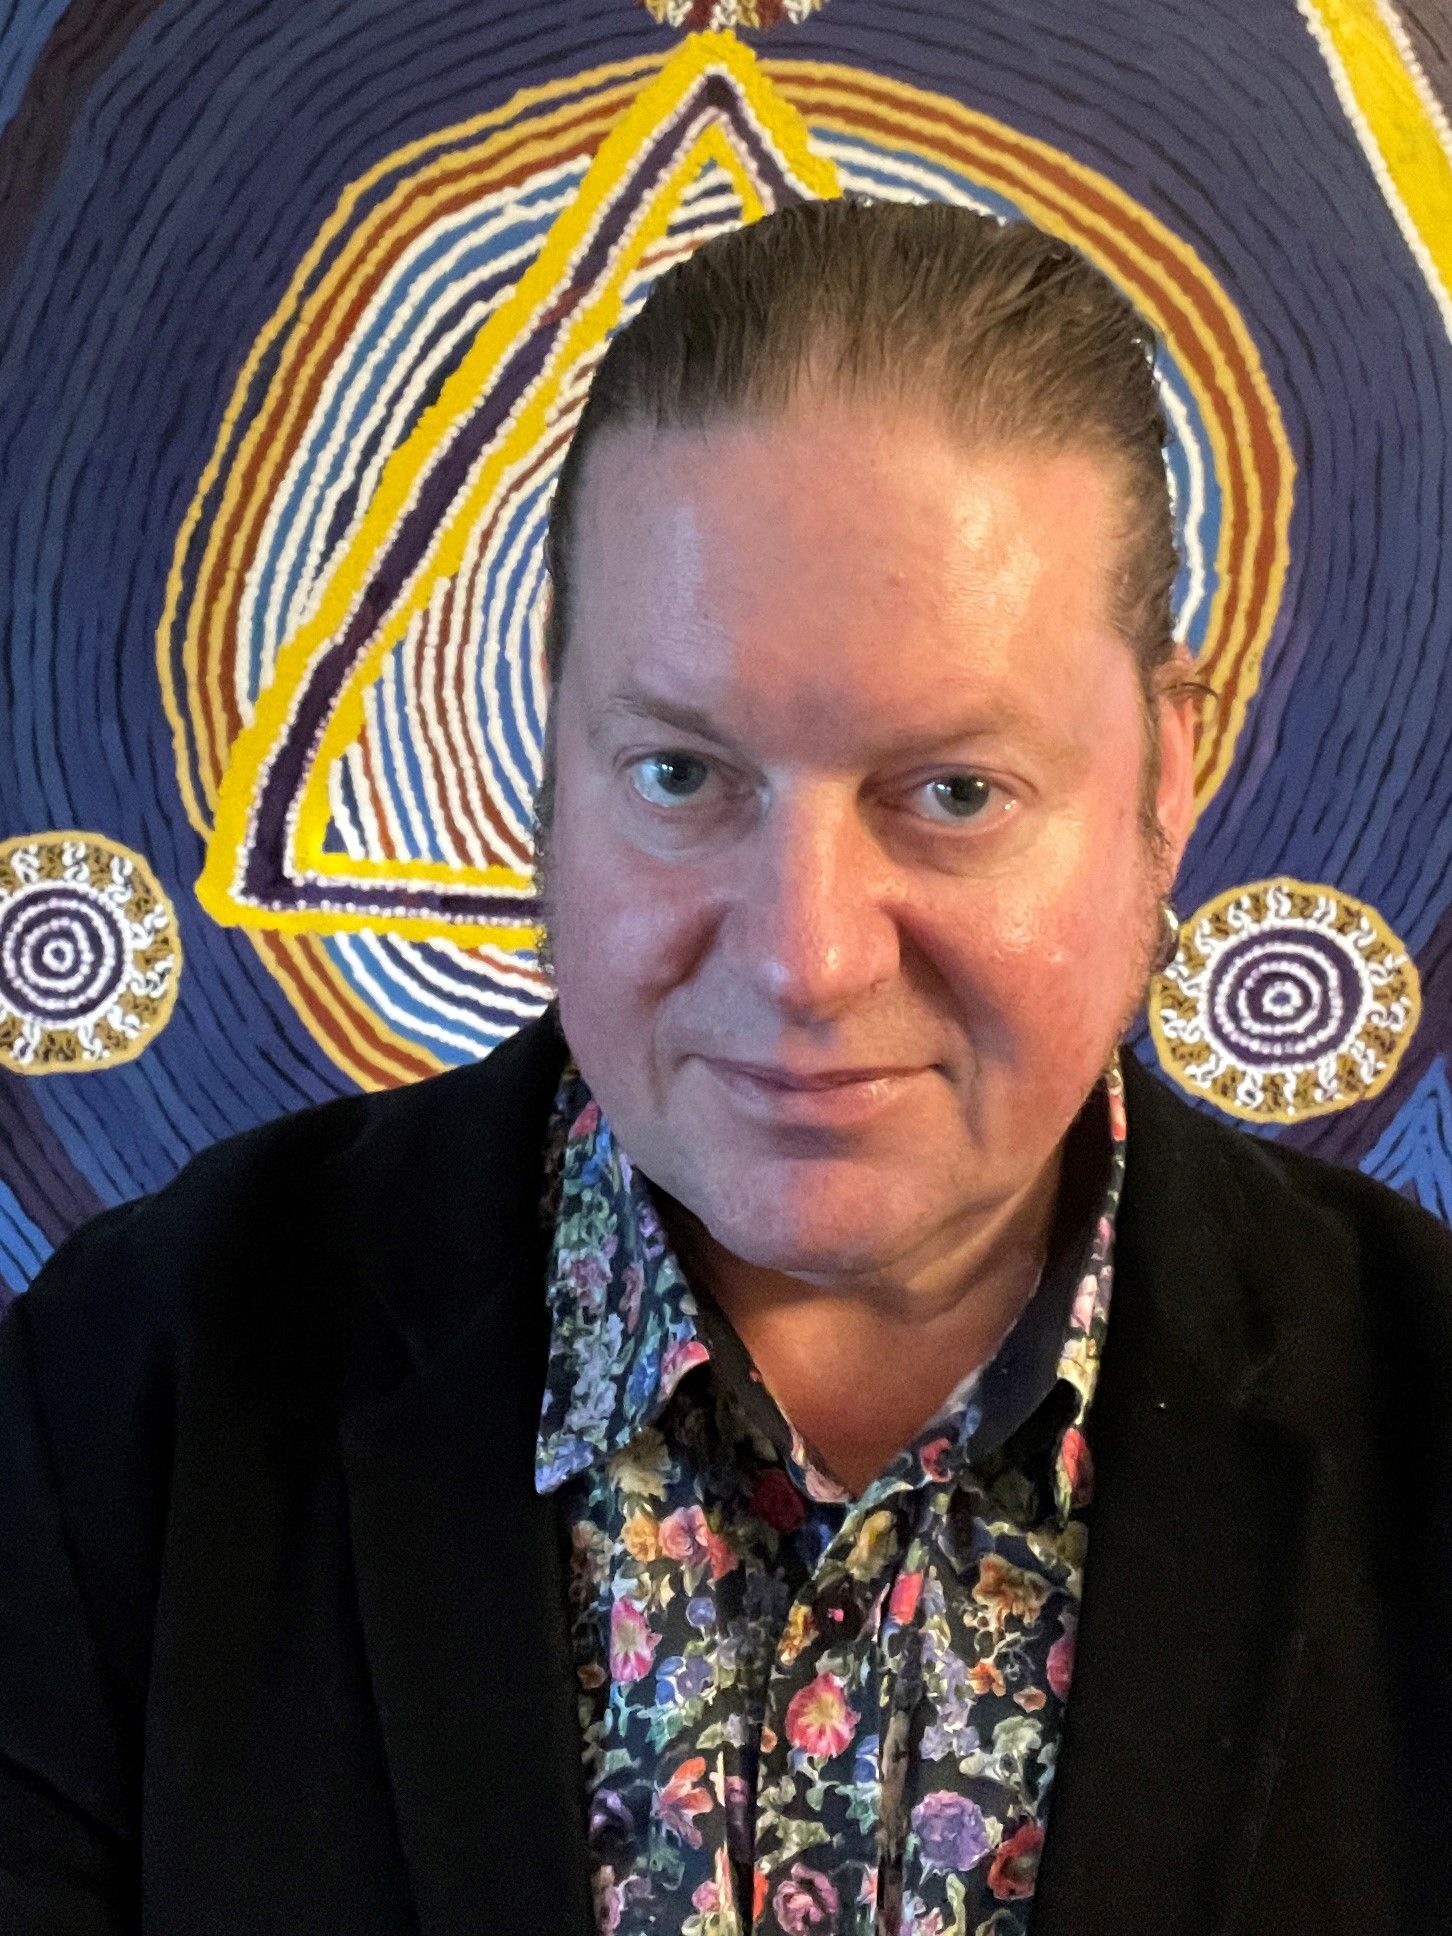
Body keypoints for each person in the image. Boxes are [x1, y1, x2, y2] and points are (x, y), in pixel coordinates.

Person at [2, 198, 1449, 1936]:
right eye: (684, 775)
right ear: (556, 760)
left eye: (956, 791)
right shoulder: (122, 1404)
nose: (806, 956)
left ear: (1167, 776)